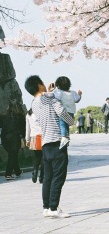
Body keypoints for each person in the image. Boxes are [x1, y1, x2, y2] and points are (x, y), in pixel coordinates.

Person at [25, 75, 74, 218]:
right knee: (59, 176)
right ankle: (54, 207)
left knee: (48, 177)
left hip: (45, 143)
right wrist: (71, 121)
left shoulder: (34, 103)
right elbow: (62, 112)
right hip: (57, 141)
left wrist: (50, 92)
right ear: (39, 85)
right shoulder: (50, 98)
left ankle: (46, 208)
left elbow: (44, 102)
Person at [48, 76, 82, 148]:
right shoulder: (73, 92)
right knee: (66, 126)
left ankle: (64, 137)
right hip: (71, 112)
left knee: (62, 124)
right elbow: (77, 100)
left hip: (63, 112)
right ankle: (67, 137)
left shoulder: (59, 92)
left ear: (58, 85)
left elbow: (54, 97)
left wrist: (52, 90)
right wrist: (80, 94)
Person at [1, 101, 26, 180]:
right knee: (12, 155)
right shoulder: (20, 116)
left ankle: (17, 171)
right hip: (15, 138)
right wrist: (24, 137)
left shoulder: (4, 116)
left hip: (4, 138)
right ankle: (8, 174)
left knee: (13, 154)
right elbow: (23, 128)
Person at [26, 109, 44, 184]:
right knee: (44, 157)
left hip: (34, 137)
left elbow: (28, 128)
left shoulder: (28, 115)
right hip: (43, 136)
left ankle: (35, 170)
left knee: (37, 156)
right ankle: (42, 176)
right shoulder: (42, 112)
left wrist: (27, 140)